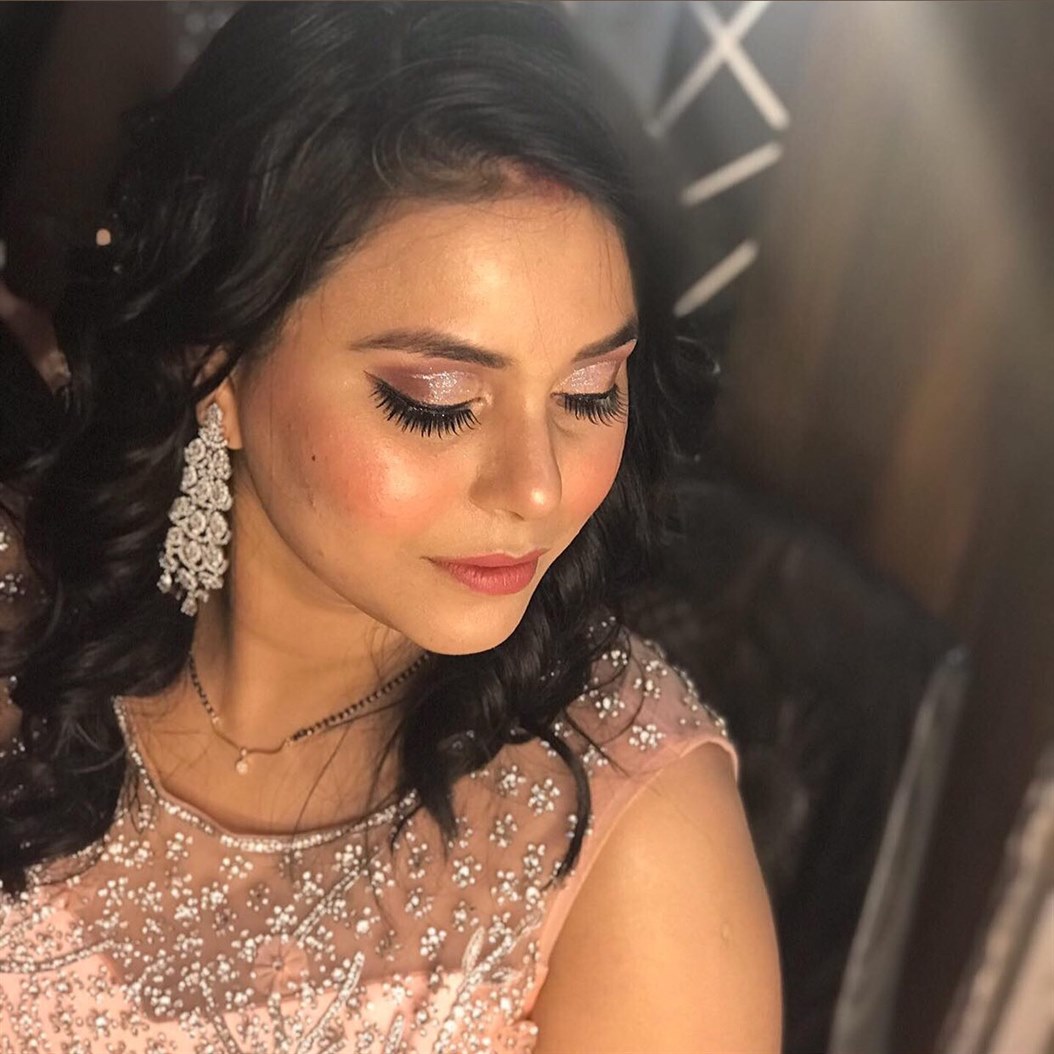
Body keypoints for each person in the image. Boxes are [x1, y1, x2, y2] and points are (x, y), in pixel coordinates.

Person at [0, 3, 782, 1050]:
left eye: (589, 392)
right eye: (437, 402)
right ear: (213, 363)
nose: (538, 488)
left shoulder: (636, 829)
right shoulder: (25, 596)